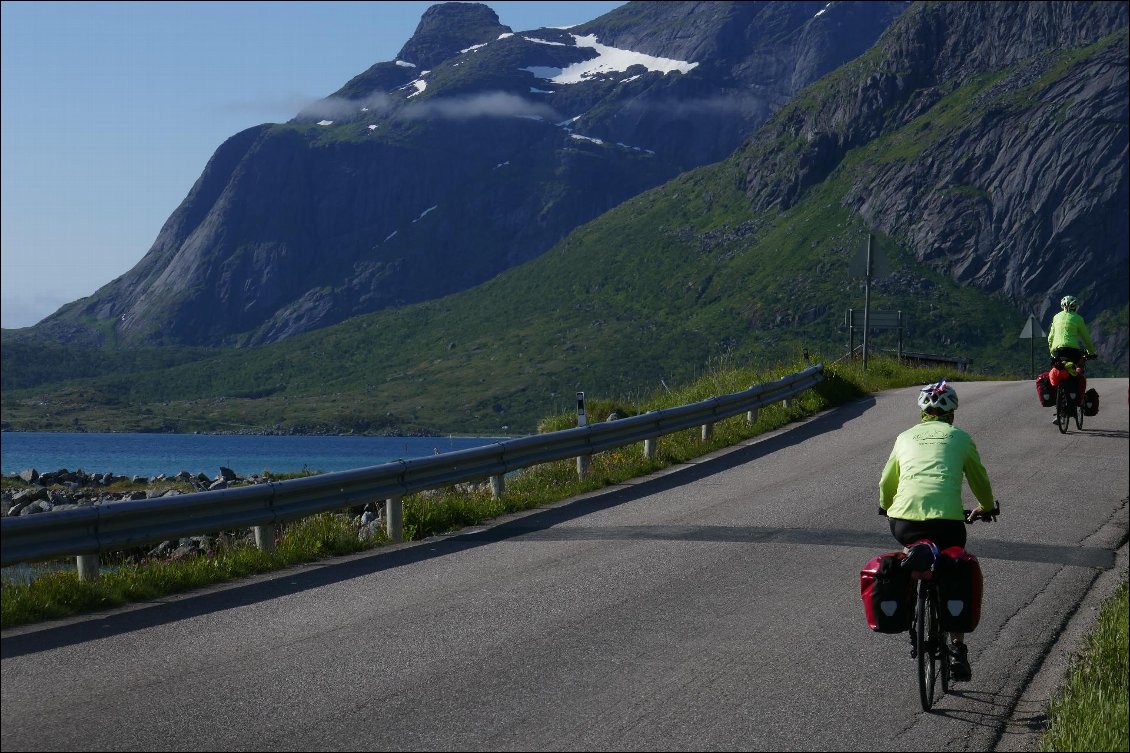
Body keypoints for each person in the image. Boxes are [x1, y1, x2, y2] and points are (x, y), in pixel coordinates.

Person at [879, 379, 998, 682]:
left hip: (904, 521)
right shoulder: (960, 437)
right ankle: (957, 647)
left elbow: (886, 483)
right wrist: (986, 506)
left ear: (922, 413)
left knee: (911, 552)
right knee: (953, 564)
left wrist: (886, 505)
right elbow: (979, 480)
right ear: (952, 413)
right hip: (947, 522)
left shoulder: (904, 437)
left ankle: (909, 614)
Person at [1047, 295, 1096, 416]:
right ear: (1075, 307)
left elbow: (1050, 338)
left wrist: (1052, 352)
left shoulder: (1056, 317)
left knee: (1058, 370)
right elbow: (1086, 338)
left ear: (1061, 306)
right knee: (1077, 370)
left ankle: (1059, 406)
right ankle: (1075, 400)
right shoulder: (1078, 319)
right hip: (1073, 351)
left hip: (1058, 351)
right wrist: (1091, 352)